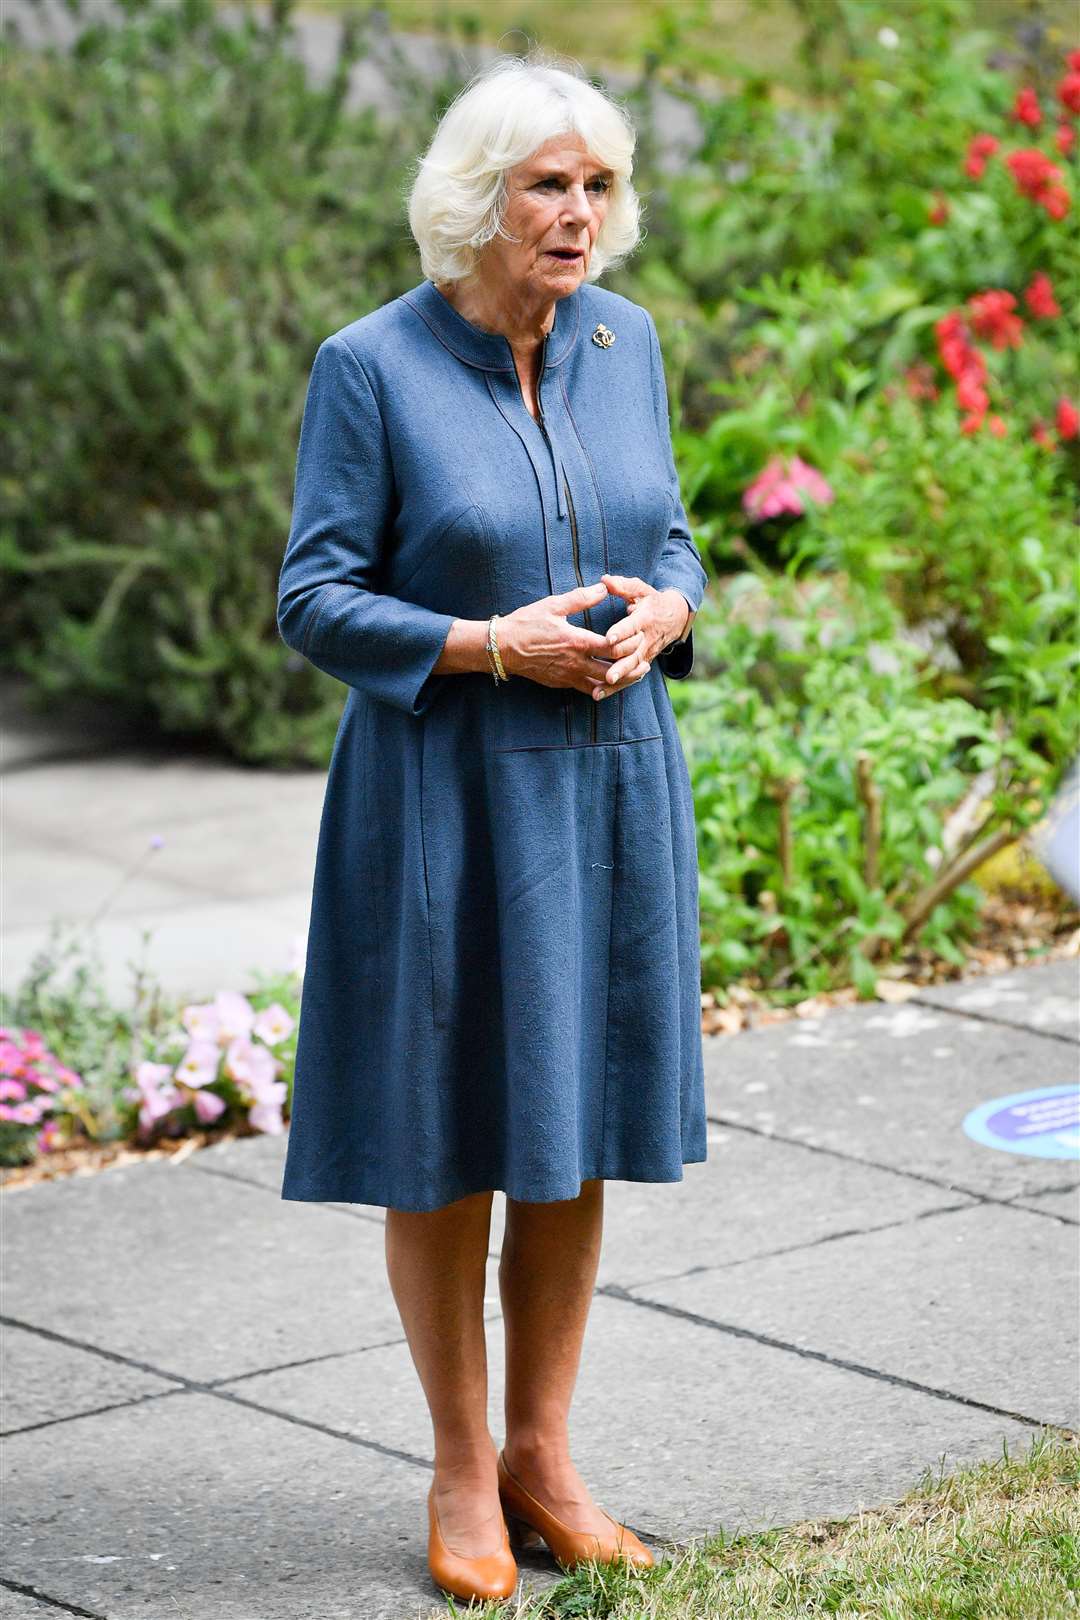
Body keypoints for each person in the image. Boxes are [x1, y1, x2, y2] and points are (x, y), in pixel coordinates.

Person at [276, 48, 709, 1605]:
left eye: (598, 185)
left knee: (572, 1120)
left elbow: (668, 534)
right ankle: (462, 1467)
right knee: (447, 1131)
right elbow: (312, 597)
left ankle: (547, 1453)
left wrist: (669, 607)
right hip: (444, 799)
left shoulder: (623, 339)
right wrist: (482, 645)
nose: (580, 213)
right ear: (476, 204)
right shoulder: (371, 367)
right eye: (549, 183)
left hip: (607, 783)